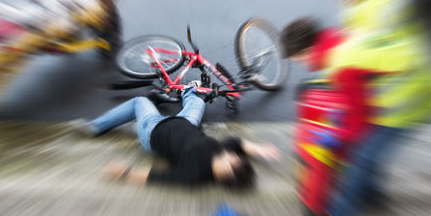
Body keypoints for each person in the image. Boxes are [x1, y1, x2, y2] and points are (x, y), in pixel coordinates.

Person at [282, 0, 431, 216]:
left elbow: (357, 119)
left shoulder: (345, 59)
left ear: (306, 50)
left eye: (299, 60)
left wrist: (333, 136)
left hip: (406, 99)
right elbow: (352, 57)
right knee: (370, 155)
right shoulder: (346, 31)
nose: (302, 65)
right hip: (409, 84)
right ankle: (373, 195)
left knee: (360, 158)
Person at [70, 82, 280, 188]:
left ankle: (95, 127)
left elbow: (155, 176)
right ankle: (188, 90)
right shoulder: (222, 154)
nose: (234, 156)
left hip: (153, 131)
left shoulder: (194, 175)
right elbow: (237, 143)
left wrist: (123, 173)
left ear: (227, 172)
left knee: (139, 102)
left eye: (235, 162)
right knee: (197, 100)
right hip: (185, 122)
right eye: (237, 158)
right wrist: (260, 150)